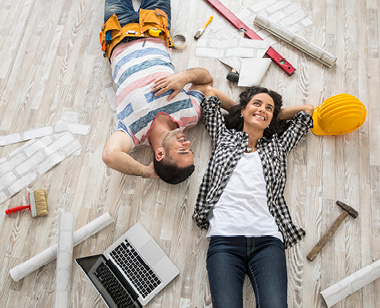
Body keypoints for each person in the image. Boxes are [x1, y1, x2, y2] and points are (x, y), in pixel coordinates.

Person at [193, 85, 314, 307]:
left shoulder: (278, 146)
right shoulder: (223, 137)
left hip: (267, 242)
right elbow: (209, 92)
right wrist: (244, 108)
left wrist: (268, 114)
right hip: (224, 242)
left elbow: (306, 111)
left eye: (269, 108)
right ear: (242, 111)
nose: (263, 109)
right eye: (257, 104)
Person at [101, 0, 214, 184]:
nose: (188, 143)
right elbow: (206, 79)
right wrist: (184, 77)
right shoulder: (190, 115)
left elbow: (110, 156)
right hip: (155, 26)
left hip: (118, 30)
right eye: (190, 149)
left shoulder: (133, 133)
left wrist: (147, 172)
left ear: (160, 153)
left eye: (183, 149)